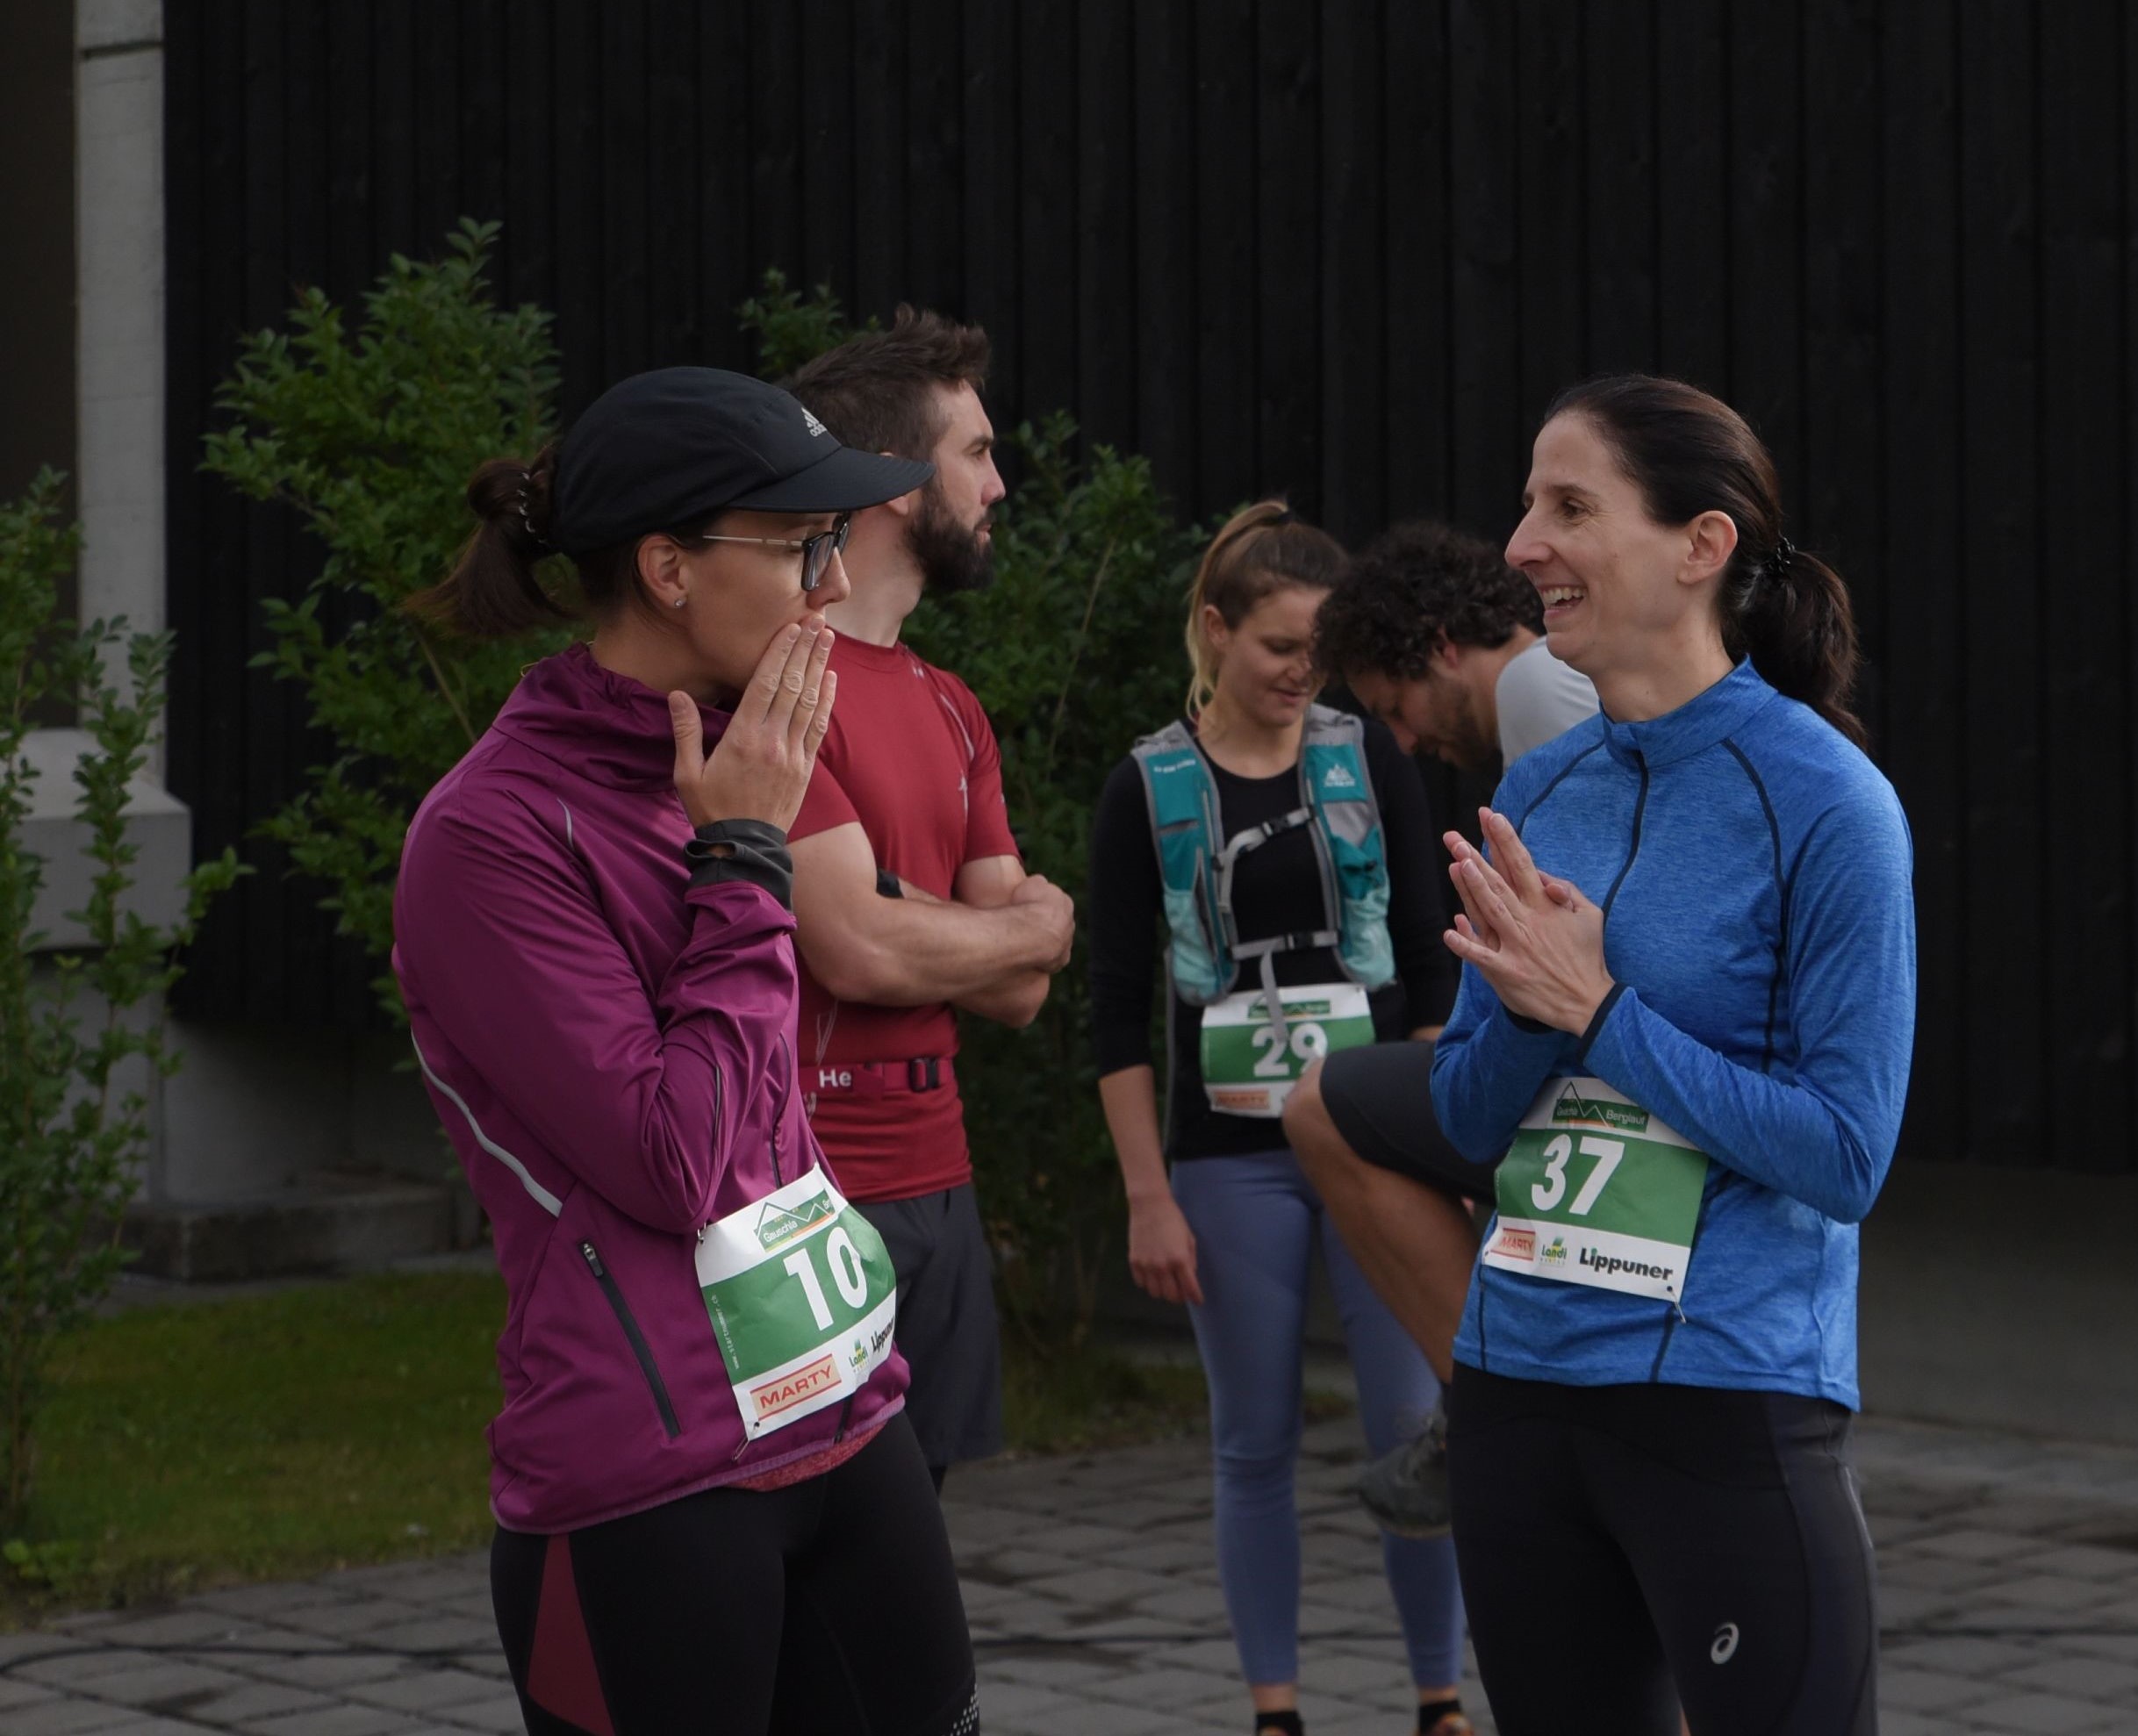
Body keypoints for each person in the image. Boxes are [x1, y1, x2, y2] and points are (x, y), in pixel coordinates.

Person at [394, 367, 980, 1736]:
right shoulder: (490, 835)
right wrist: (739, 864)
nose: (830, 589)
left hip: (843, 1405)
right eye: (798, 548)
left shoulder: (737, 764)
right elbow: (677, 1157)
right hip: (649, 1484)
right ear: (666, 568)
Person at [1428, 374, 1915, 1734]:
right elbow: (1465, 1118)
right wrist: (1529, 1011)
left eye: (1569, 506)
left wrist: (1597, 1014)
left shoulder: (1827, 803)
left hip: (1722, 1398)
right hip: (1515, 1390)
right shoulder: (1537, 789)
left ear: (1699, 546)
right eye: (1527, 502)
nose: (1522, 542)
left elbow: (1843, 1155)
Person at [1088, 503, 1474, 1736]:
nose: (1300, 671)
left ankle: (1438, 1698)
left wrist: (1441, 1145)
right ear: (1214, 631)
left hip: (1375, 1147)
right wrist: (1147, 1192)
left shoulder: (1371, 759)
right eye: (1276, 647)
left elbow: (1427, 964)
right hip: (1226, 1159)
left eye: (1318, 648)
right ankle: (1274, 1709)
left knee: (1416, 1424)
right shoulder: (1145, 785)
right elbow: (1108, 1013)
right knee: (1250, 1439)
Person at [778, 307, 1076, 1490]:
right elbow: (853, 951)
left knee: (911, 1558)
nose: (998, 483)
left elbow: (1020, 989)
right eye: (975, 453)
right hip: (810, 1188)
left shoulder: (950, 702)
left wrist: (945, 922)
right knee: (814, 1558)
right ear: (898, 484)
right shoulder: (782, 676)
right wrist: (1015, 921)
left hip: (939, 1180)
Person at [1288, 523, 1599, 1539]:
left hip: (1596, 1055)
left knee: (1326, 1107)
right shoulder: (1550, 693)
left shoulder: (1534, 686)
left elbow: (1574, 917)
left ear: (1438, 644)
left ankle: (1488, 1405)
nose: (1408, 741)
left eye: (1397, 708)